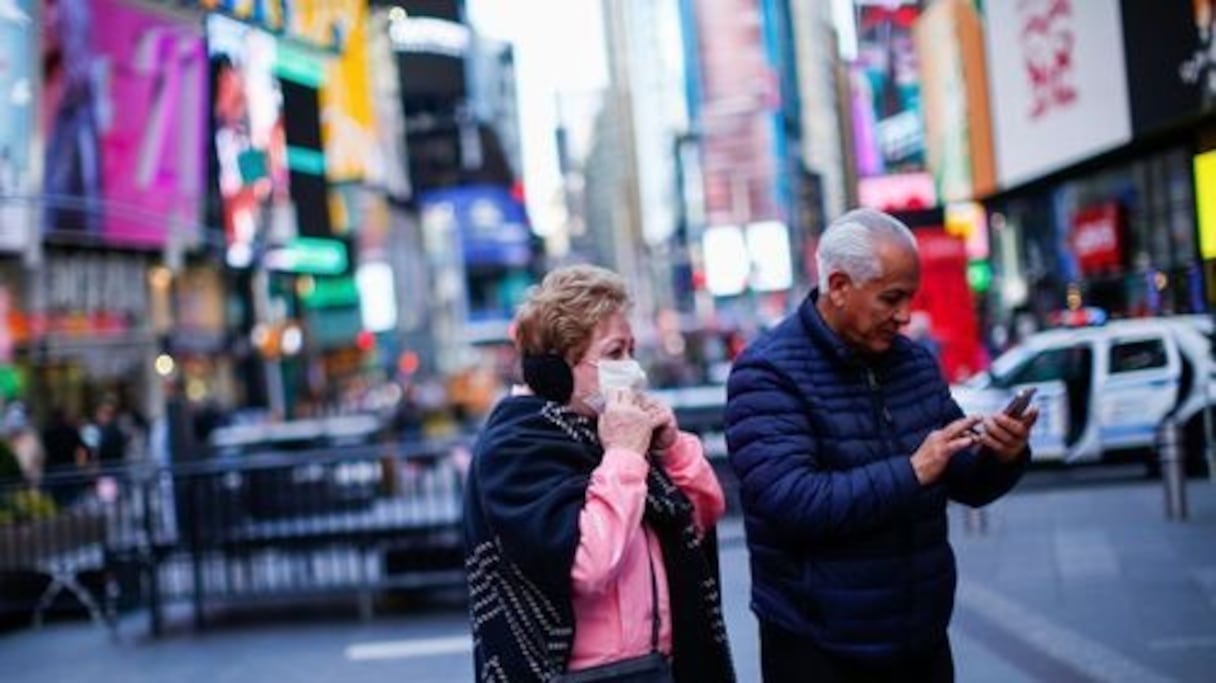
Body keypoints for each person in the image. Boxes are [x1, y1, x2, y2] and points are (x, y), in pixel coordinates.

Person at [725, 208, 1037, 682]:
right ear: (839, 285)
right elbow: (791, 502)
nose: (905, 316)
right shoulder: (766, 373)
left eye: (910, 298)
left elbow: (963, 477)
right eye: (891, 299)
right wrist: (911, 472)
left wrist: (1002, 454)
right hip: (818, 645)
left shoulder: (912, 362)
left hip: (921, 637)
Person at [463, 264, 735, 682]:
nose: (632, 369)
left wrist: (672, 448)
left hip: (659, 664)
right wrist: (625, 455)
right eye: (613, 354)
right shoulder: (514, 446)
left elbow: (701, 516)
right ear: (554, 370)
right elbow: (585, 563)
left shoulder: (607, 427)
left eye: (631, 350)